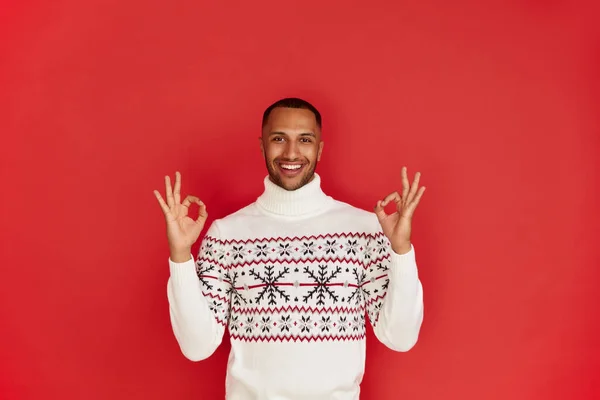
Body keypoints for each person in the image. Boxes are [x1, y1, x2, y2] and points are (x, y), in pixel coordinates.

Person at [153, 98, 426, 400]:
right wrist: (180, 255)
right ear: (262, 146)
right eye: (278, 138)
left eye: (305, 140)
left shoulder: (363, 230)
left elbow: (400, 337)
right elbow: (196, 346)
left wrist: (401, 250)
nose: (291, 153)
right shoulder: (226, 235)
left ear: (320, 148)